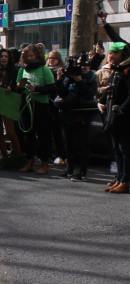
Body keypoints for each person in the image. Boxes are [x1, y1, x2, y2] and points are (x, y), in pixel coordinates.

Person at [54, 52, 98, 181]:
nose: (83, 69)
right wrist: (59, 80)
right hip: (68, 116)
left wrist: (80, 81)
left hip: (83, 116)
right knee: (68, 144)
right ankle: (69, 170)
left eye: (86, 66)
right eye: (80, 66)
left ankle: (83, 172)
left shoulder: (91, 79)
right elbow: (62, 93)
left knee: (84, 145)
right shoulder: (69, 78)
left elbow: (89, 95)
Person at [16, 44, 56, 174]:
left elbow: (51, 88)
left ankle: (44, 164)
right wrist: (20, 86)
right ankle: (30, 162)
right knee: (29, 135)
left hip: (41, 105)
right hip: (27, 104)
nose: (29, 58)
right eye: (27, 56)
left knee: (43, 135)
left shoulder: (44, 69)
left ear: (37, 56)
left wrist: (37, 89)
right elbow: (18, 86)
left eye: (31, 56)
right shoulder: (23, 70)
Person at [100, 42, 130, 193]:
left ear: (122, 54)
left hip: (123, 117)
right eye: (109, 53)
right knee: (117, 150)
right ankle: (119, 177)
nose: (110, 56)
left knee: (125, 150)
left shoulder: (127, 70)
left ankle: (126, 180)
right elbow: (109, 89)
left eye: (114, 53)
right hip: (112, 116)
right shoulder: (115, 70)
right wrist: (101, 102)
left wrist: (120, 112)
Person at [0, 48, 22, 162]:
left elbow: (19, 86)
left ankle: (18, 155)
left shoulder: (15, 72)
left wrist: (13, 88)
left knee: (11, 132)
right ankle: (4, 156)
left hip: (9, 102)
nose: (4, 58)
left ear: (9, 58)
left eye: (6, 56)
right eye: (2, 56)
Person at [46, 50, 67, 167]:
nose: (51, 60)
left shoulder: (62, 72)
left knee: (57, 132)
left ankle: (60, 155)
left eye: (54, 58)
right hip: (46, 104)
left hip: (57, 105)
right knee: (46, 131)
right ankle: (48, 155)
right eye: (49, 58)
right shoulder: (45, 71)